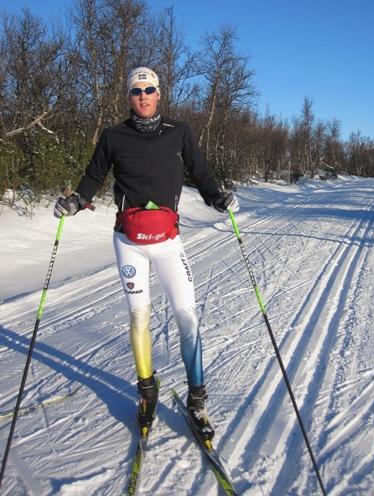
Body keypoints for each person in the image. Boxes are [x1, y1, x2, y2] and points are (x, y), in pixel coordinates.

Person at [54, 66, 239, 439]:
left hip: (169, 242)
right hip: (129, 243)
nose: (143, 96)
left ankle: (197, 399)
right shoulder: (113, 136)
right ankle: (146, 392)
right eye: (136, 91)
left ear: (159, 94)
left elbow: (200, 173)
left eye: (149, 89)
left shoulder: (179, 132)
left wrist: (218, 197)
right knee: (139, 318)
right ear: (128, 96)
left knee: (187, 318)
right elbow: (93, 177)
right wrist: (76, 202)